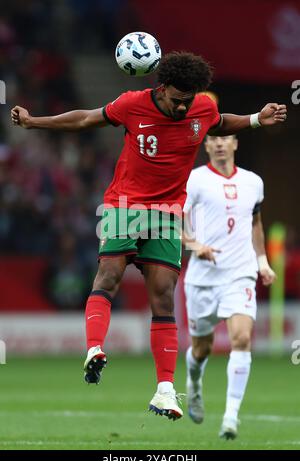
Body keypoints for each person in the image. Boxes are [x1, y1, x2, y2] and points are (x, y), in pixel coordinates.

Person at [11, 52, 287, 421]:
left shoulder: (199, 109)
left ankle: (165, 390)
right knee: (108, 276)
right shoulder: (132, 104)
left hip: (168, 214)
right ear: (162, 88)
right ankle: (94, 348)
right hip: (124, 204)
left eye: (188, 100)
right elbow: (85, 120)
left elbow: (219, 124)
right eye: (176, 99)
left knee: (163, 300)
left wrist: (255, 119)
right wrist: (34, 122)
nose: (182, 106)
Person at [183, 134, 276, 436]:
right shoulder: (195, 180)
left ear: (235, 143)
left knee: (241, 339)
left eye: (225, 138)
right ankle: (194, 383)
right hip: (202, 278)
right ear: (206, 146)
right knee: (201, 349)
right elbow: (175, 221)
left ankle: (231, 417)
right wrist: (195, 245)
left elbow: (256, 223)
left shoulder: (253, 182)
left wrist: (262, 261)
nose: (220, 143)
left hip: (240, 273)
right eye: (213, 139)